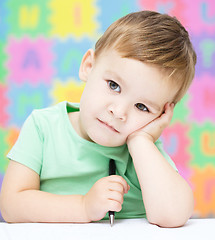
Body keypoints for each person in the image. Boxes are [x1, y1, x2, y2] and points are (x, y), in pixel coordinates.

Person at [0, 10, 196, 227]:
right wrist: (83, 206)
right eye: (114, 85)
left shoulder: (142, 148)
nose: (119, 112)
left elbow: (173, 216)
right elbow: (11, 205)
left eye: (142, 107)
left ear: (161, 116)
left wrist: (140, 142)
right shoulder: (43, 128)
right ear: (88, 66)